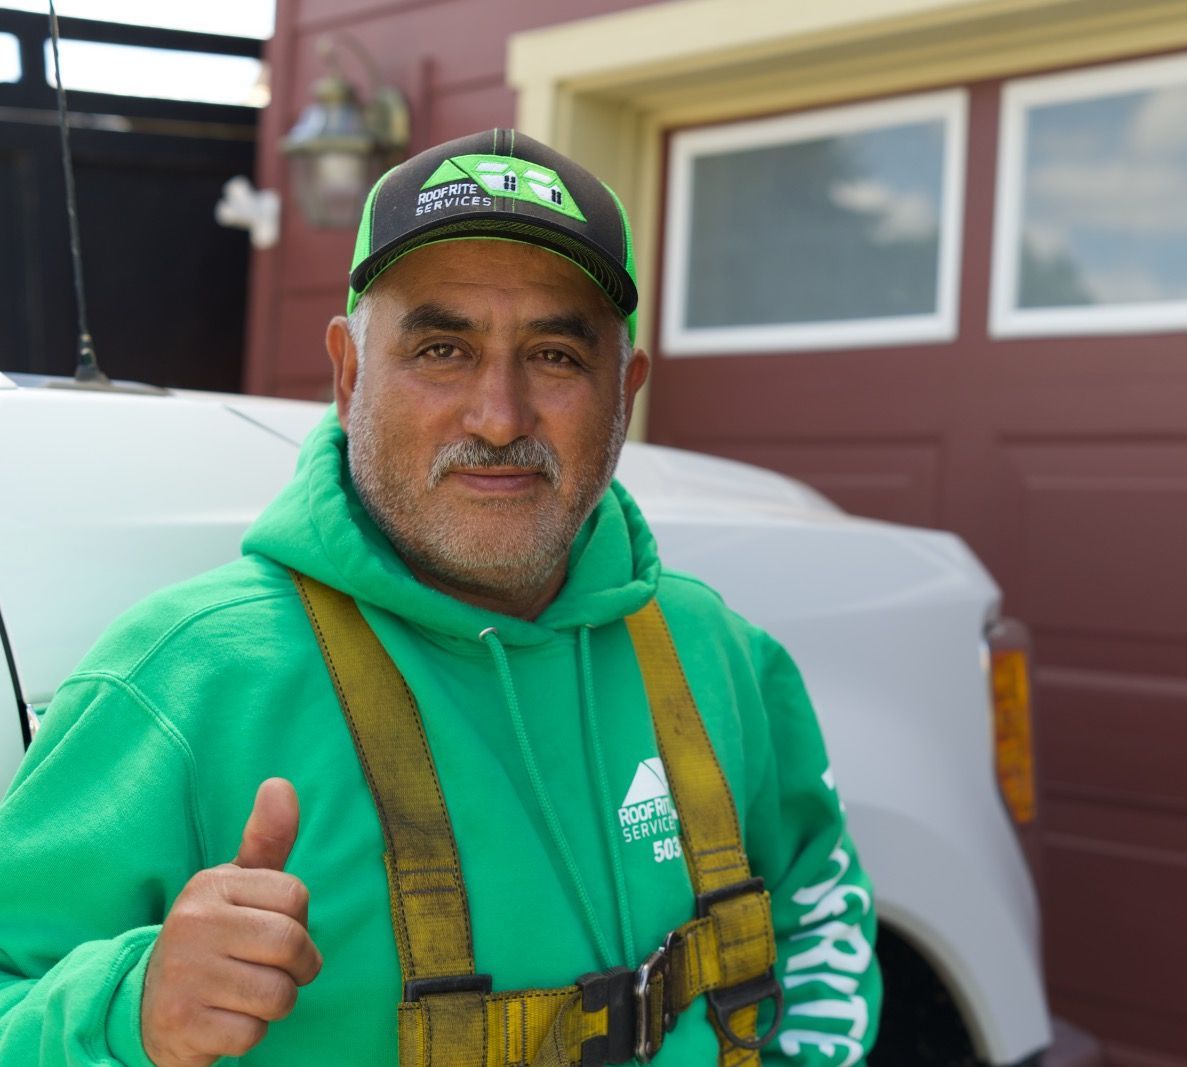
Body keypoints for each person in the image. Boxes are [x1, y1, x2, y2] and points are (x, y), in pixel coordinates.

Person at [0, 129, 880, 1066]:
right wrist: (127, 1010)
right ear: (348, 376)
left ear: (624, 391)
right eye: (442, 348)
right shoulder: (179, 682)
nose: (498, 416)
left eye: (554, 355)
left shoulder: (720, 656)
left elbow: (822, 933)